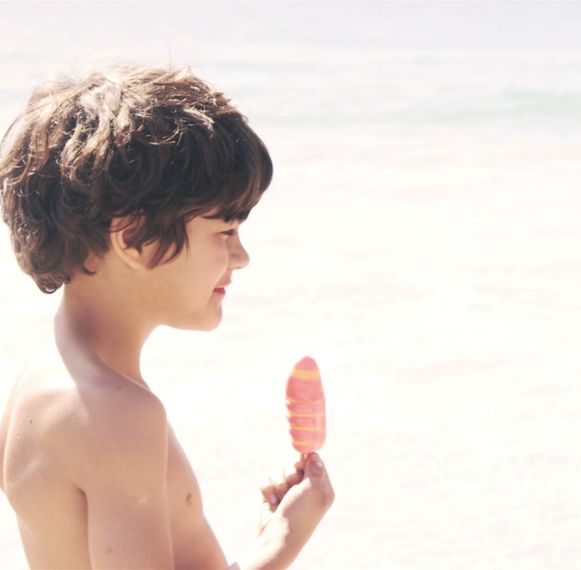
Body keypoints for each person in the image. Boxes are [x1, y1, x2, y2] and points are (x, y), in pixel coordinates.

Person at [0, 66, 334, 568]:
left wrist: (272, 534)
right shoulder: (117, 415)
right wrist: (282, 543)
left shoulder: (50, 378)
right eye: (225, 231)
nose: (241, 257)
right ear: (135, 239)